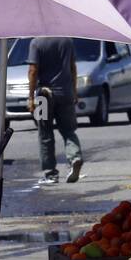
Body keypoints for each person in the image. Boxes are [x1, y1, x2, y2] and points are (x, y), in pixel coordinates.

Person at [26, 36, 83, 184]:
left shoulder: (36, 42)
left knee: (45, 133)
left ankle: (50, 173)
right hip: (65, 93)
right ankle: (75, 157)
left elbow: (33, 70)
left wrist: (31, 97)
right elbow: (73, 67)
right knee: (69, 130)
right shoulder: (67, 41)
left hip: (44, 96)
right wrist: (74, 91)